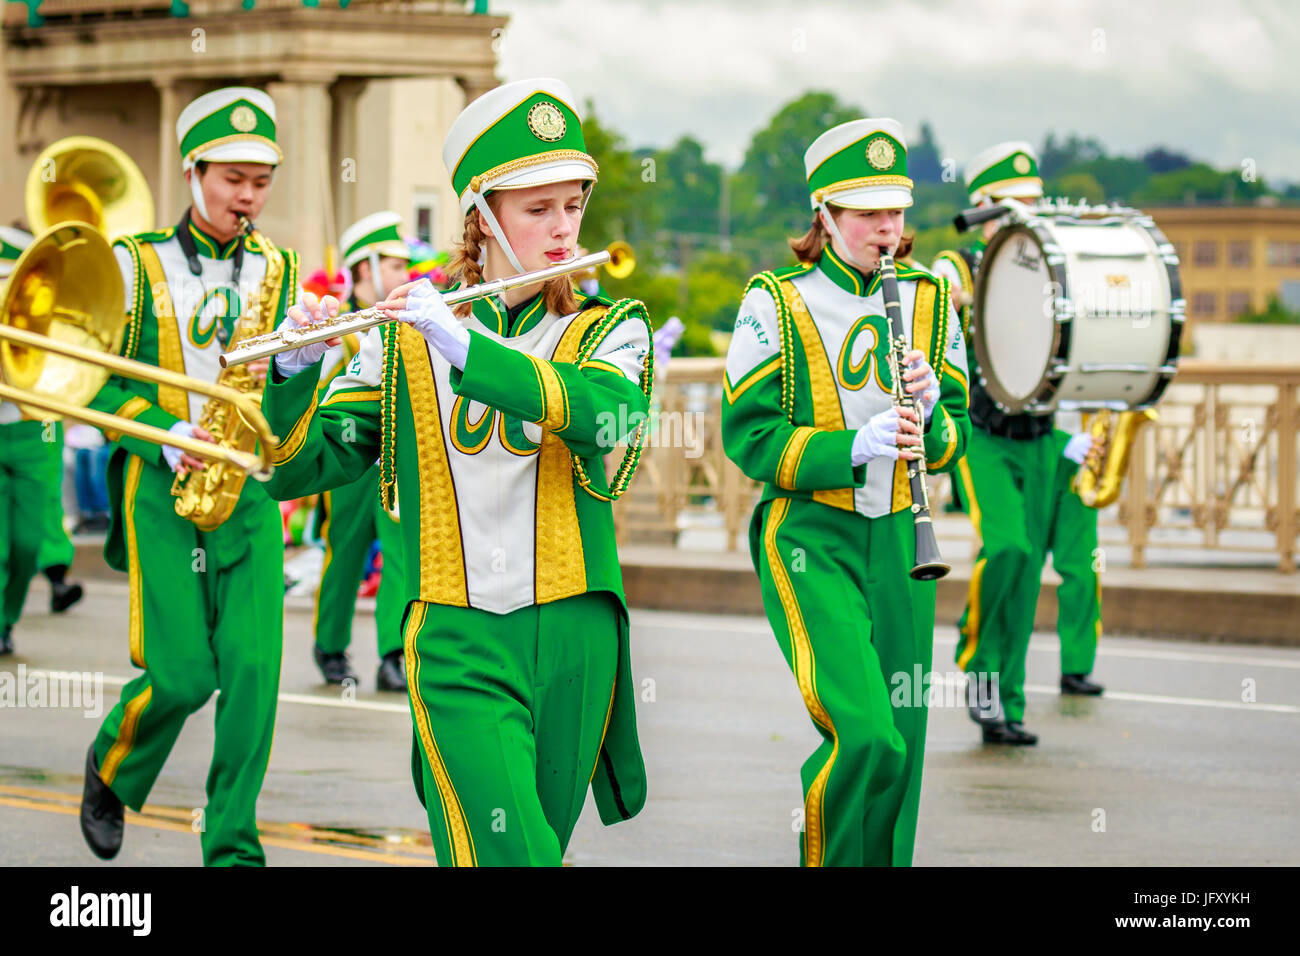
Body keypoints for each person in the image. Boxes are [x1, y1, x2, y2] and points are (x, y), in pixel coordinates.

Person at [262, 77, 651, 866]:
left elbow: (609, 419)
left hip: (576, 631)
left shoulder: (610, 327)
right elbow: (295, 470)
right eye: (536, 210)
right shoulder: (402, 338)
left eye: (572, 206)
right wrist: (297, 370)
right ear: (482, 218)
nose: (562, 230)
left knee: (512, 850)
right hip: (454, 632)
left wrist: (471, 351)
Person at [722, 118, 970, 866]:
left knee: (905, 744)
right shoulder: (775, 301)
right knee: (865, 731)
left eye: (895, 212)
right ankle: (824, 846)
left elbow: (956, 434)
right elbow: (751, 441)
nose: (887, 229)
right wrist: (849, 449)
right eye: (868, 214)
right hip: (810, 534)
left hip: (900, 533)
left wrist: (929, 416)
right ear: (824, 216)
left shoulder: (929, 300)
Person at [77, 87, 298, 865]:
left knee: (252, 677)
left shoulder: (281, 268)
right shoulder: (134, 264)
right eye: (233, 178)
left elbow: (290, 408)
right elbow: (87, 380)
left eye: (262, 181)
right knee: (180, 676)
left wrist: (303, 358)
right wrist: (167, 433)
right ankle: (111, 763)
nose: (249, 196)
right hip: (161, 491)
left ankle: (233, 846)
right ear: (192, 171)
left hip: (250, 496)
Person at [931, 142, 1099, 749]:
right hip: (985, 435)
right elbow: (941, 290)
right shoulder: (960, 263)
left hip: (1043, 434)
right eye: (1011, 206)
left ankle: (1009, 701)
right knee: (1005, 547)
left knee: (1029, 570)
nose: (1025, 216)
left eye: (1033, 205)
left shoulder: (1051, 269)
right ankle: (977, 667)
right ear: (981, 206)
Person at [307, 211, 410, 691]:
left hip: (392, 457)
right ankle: (329, 644)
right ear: (364, 269)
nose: (402, 276)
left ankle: (393, 653)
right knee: (344, 550)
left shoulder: (405, 322)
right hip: (350, 462)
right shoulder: (337, 326)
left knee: (400, 552)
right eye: (392, 266)